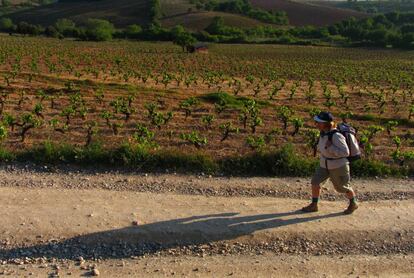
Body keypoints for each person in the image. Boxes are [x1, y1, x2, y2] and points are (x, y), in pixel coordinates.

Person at [301, 111, 358, 215]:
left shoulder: (336, 135)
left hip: (338, 165)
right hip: (324, 164)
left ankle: (353, 203)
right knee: (315, 182)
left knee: (342, 187)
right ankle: (314, 205)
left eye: (319, 122)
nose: (316, 124)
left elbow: (345, 152)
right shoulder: (323, 133)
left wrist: (330, 147)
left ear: (326, 123)